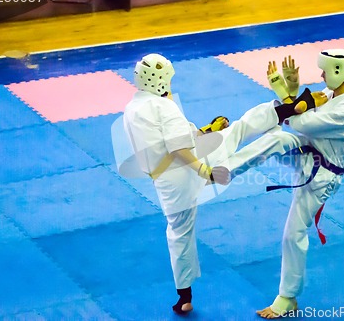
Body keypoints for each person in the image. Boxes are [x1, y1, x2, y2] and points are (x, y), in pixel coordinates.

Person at [122, 53, 314, 315]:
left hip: (165, 182)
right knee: (239, 133)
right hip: (189, 166)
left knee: (178, 235)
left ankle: (184, 297)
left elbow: (165, 141)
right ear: (161, 80)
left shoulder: (132, 108)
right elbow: (178, 146)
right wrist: (204, 170)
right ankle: (289, 109)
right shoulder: (164, 105)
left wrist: (206, 130)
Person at [223, 49, 344, 318]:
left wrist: (282, 90)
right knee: (274, 132)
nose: (322, 74)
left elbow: (299, 121)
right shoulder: (330, 94)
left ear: (339, 71)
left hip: (321, 176)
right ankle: (224, 169)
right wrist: (293, 88)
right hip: (308, 154)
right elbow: (299, 109)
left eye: (325, 70)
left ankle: (287, 298)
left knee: (293, 234)